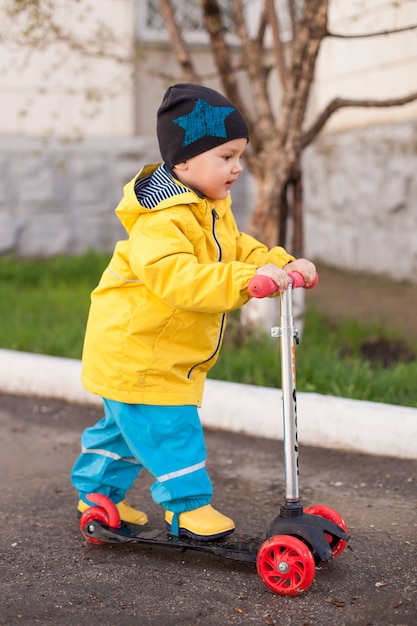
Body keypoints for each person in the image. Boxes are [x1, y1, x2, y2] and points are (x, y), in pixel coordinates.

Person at [71, 83, 316, 541]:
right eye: (225, 157)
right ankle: (187, 508)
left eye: (239, 156)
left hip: (147, 352)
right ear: (183, 161)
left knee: (123, 432)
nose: (237, 168)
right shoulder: (161, 220)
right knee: (170, 430)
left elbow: (239, 248)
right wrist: (245, 282)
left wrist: (279, 263)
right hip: (140, 353)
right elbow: (178, 278)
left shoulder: (210, 208)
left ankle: (96, 494)